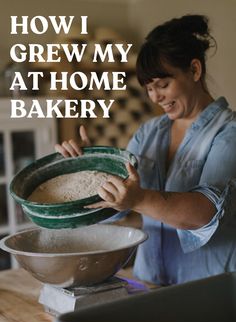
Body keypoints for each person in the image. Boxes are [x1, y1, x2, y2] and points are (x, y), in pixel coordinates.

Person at [55, 14, 236, 285]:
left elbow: (205, 212)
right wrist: (86, 169)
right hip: (149, 281)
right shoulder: (149, 132)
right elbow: (116, 206)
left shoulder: (228, 132)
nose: (155, 97)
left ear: (195, 71)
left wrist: (139, 199)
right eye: (149, 88)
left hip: (209, 289)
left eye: (163, 85)